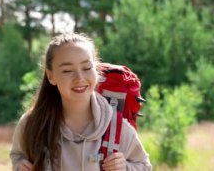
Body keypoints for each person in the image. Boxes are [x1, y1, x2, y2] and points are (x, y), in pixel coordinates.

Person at [10, 33, 152, 171]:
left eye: (86, 68)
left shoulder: (116, 127)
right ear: (51, 76)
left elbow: (144, 166)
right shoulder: (33, 124)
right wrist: (20, 165)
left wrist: (125, 168)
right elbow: (18, 155)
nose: (79, 77)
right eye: (67, 70)